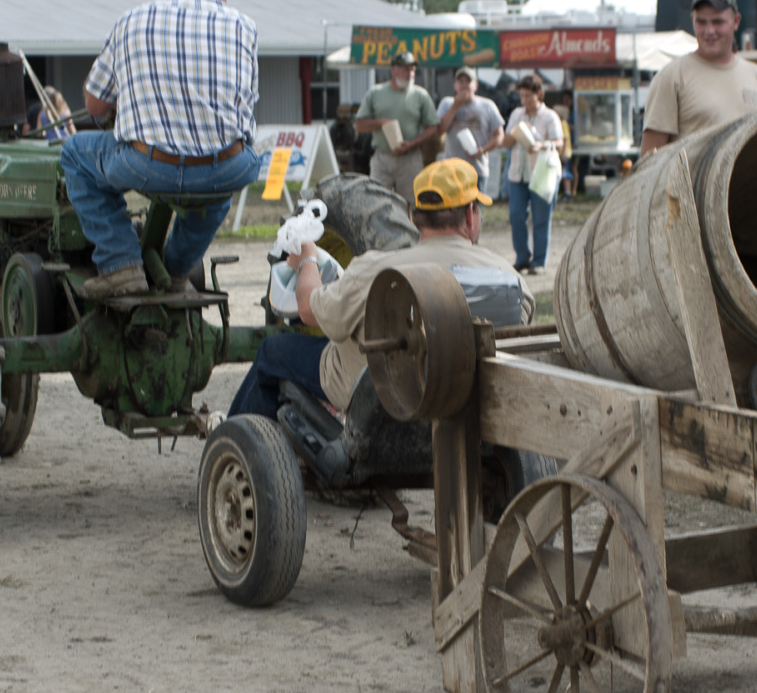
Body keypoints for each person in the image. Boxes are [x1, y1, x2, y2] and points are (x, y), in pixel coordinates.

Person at [227, 158, 534, 421]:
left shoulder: (376, 270)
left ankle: (232, 444)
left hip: (384, 400)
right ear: (470, 214)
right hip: (469, 398)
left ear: (412, 215)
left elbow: (307, 309)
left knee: (273, 350)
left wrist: (306, 257)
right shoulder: (510, 277)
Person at [60, 0, 260, 298]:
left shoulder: (131, 20)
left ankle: (120, 263)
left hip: (148, 165)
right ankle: (176, 269)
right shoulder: (244, 26)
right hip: (224, 167)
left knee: (75, 154)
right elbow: (243, 105)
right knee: (219, 187)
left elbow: (94, 106)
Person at [640, 0, 757, 157]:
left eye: (718, 22)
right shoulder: (671, 77)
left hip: (750, 183)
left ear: (736, 22)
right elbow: (648, 161)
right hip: (694, 185)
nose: (709, 31)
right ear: (692, 20)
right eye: (701, 22)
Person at [353, 51, 439, 209]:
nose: (410, 73)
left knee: (411, 205)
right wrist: (380, 122)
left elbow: (432, 128)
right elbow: (359, 125)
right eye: (406, 69)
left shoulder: (421, 95)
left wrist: (412, 143)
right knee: (376, 202)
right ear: (394, 70)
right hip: (382, 157)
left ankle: (410, 233)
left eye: (412, 69)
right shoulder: (375, 92)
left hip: (410, 158)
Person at [501, 75, 563, 276]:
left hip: (541, 174)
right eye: (522, 95)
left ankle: (539, 261)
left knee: (541, 218)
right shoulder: (517, 114)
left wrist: (542, 144)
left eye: (528, 95)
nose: (525, 100)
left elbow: (560, 144)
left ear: (539, 94)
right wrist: (516, 133)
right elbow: (506, 142)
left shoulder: (549, 116)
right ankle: (522, 257)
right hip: (518, 173)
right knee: (516, 215)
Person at [436, 66, 505, 193]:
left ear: (476, 85)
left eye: (468, 81)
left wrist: (483, 150)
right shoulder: (447, 103)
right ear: (454, 86)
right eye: (460, 82)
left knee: (474, 211)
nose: (464, 85)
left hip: (476, 170)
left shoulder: (487, 105)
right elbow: (440, 130)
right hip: (452, 169)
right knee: (452, 211)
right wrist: (455, 106)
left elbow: (499, 136)